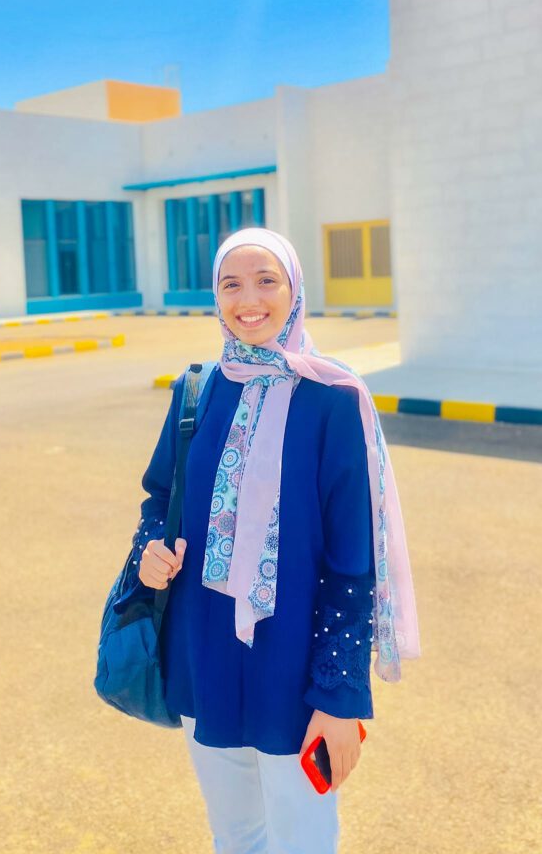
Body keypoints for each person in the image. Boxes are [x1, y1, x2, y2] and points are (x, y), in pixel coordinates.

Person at [117, 227, 420, 854]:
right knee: (237, 836)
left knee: (304, 840)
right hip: (204, 657)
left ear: (294, 290)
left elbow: (352, 564)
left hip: (295, 664)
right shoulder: (196, 391)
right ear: (216, 297)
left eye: (266, 281)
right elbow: (159, 501)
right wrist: (150, 553)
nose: (248, 299)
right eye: (232, 284)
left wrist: (339, 696)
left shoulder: (333, 399)